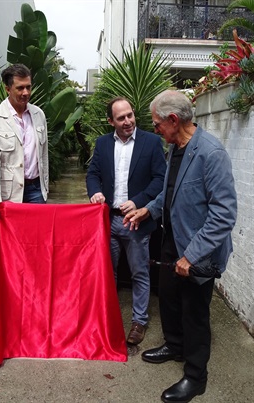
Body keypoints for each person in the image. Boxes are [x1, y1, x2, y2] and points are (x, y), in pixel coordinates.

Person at [124, 90, 237, 403]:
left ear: (174, 120)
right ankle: (174, 346)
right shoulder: (175, 148)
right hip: (173, 240)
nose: (156, 129)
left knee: (195, 313)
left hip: (197, 251)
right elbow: (167, 193)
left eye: (159, 124)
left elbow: (224, 214)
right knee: (170, 299)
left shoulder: (210, 153)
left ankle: (196, 376)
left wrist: (192, 255)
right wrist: (149, 209)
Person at [86, 96, 166, 345]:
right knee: (106, 272)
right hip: (107, 220)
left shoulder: (151, 142)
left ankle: (139, 321)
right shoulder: (102, 144)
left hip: (136, 221)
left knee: (139, 272)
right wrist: (94, 192)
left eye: (130, 115)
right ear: (111, 121)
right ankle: (105, 319)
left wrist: (139, 200)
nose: (128, 121)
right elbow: (93, 174)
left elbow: (160, 178)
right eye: (121, 118)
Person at [0, 63, 48, 208]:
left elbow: (43, 155)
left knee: (37, 231)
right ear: (7, 89)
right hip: (8, 194)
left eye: (28, 87)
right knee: (11, 232)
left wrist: (45, 188)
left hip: (36, 190)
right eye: (20, 88)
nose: (25, 92)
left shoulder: (38, 115)